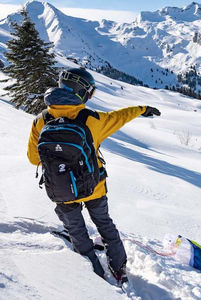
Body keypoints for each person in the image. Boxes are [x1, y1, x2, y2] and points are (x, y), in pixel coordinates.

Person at [27, 67, 161, 283]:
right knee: (105, 225)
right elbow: (121, 117)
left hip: (61, 190)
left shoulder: (40, 120)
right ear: (82, 92)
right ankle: (119, 268)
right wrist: (142, 109)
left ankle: (94, 276)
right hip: (93, 186)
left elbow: (34, 159)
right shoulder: (93, 119)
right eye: (90, 93)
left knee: (76, 229)